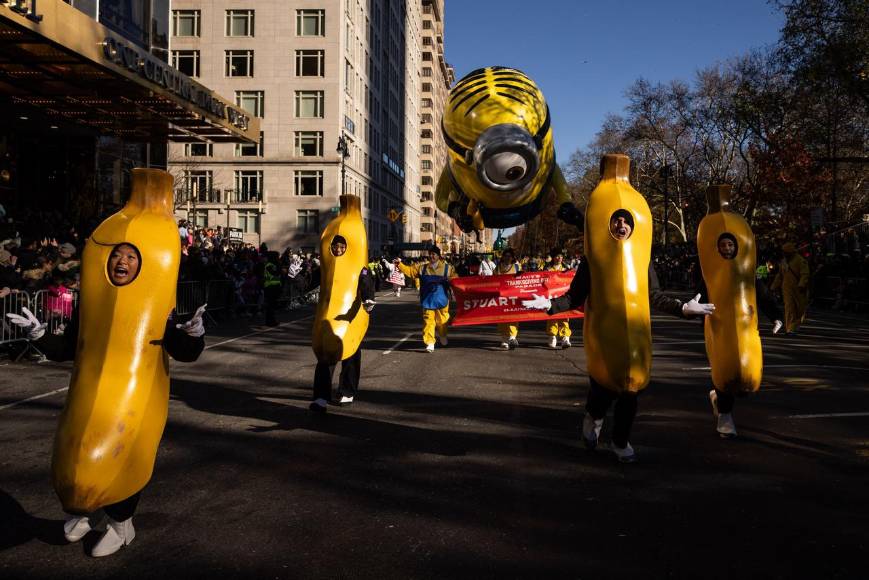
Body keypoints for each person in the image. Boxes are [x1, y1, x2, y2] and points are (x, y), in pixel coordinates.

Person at [7, 243, 207, 557]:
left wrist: (194, 336)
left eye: (131, 257)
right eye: (116, 254)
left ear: (142, 266)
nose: (121, 261)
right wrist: (38, 334)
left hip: (135, 398)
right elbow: (66, 349)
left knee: (124, 459)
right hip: (90, 395)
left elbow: (184, 352)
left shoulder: (156, 302)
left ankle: (120, 523)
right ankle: (87, 511)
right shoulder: (92, 301)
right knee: (81, 453)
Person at [524, 210, 714, 463]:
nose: (622, 224)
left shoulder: (642, 259)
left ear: (634, 228)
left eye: (627, 221)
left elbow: (654, 295)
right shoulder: (593, 259)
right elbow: (575, 297)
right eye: (616, 220)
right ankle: (593, 417)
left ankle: (620, 441)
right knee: (603, 389)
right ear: (609, 225)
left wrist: (682, 309)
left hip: (635, 337)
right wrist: (549, 305)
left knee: (630, 391)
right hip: (603, 336)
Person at [700, 233, 783, 438]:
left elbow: (763, 296)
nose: (727, 248)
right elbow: (699, 295)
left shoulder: (748, 272)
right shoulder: (710, 271)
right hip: (719, 327)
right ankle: (725, 416)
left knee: (744, 381)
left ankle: (719, 401)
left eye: (730, 244)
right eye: (723, 245)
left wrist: (776, 317)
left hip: (745, 328)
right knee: (726, 369)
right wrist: (694, 309)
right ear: (717, 249)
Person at [310, 235, 376, 412]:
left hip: (351, 318)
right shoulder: (326, 266)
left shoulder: (358, 266)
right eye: (335, 247)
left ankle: (347, 390)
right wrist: (297, 277)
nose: (338, 250)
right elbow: (311, 282)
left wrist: (368, 299)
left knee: (350, 355)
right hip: (329, 317)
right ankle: (321, 397)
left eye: (341, 247)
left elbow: (366, 283)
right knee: (325, 355)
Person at [394, 246, 456, 352]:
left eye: (434, 254)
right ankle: (430, 342)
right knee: (428, 321)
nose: (431, 256)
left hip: (442, 300)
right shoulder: (422, 268)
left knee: (443, 321)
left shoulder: (448, 268)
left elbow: (455, 280)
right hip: (428, 299)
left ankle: (443, 335)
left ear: (439, 256)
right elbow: (410, 271)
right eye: (430, 254)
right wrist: (400, 264)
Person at [770, 242, 810, 335]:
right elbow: (779, 276)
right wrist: (773, 287)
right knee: (789, 308)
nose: (784, 254)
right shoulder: (783, 262)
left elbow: (805, 274)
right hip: (787, 289)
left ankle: (794, 325)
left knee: (800, 309)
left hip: (799, 289)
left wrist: (802, 284)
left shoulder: (800, 260)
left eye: (786, 252)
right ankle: (790, 329)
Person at [544, 248, 571, 349]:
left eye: (561, 256)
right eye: (557, 256)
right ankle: (552, 336)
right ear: (553, 257)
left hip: (564, 296)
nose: (560, 258)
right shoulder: (547, 269)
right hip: (552, 296)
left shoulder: (566, 268)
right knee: (552, 316)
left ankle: (565, 338)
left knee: (565, 316)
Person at [496, 248, 521, 350]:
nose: (507, 258)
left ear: (512, 257)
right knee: (502, 318)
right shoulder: (498, 268)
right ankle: (504, 339)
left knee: (513, 316)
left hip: (513, 296)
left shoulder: (517, 266)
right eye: (505, 256)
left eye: (509, 256)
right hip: (501, 296)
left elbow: (522, 279)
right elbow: (493, 280)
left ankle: (512, 337)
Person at [262, 251, 282, 326]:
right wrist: (279, 267)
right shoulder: (269, 265)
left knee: (272, 305)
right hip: (270, 287)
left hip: (274, 287)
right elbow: (276, 273)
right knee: (270, 305)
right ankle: (270, 321)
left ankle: (270, 320)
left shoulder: (274, 265)